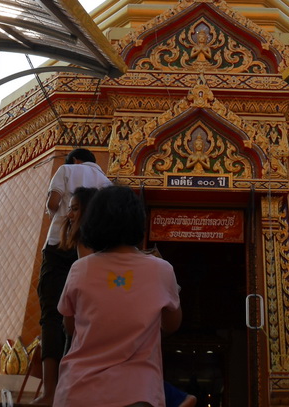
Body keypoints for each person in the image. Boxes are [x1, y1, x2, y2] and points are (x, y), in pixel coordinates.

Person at [56, 185, 182, 407]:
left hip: (78, 391)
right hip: (137, 393)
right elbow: (171, 325)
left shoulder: (80, 269)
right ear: (138, 221)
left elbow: (69, 326)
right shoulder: (162, 270)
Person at [36, 148, 112, 405]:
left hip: (60, 244)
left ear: (76, 160)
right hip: (94, 250)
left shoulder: (66, 170)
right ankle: (81, 383)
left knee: (51, 314)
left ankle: (50, 391)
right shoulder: (107, 184)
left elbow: (53, 203)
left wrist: (59, 216)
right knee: (87, 315)